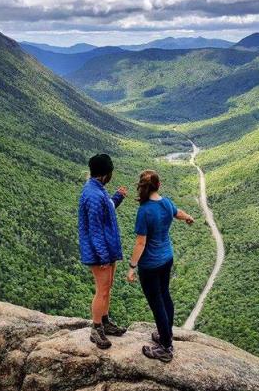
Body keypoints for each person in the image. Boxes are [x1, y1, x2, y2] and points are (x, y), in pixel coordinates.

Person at [126, 169, 194, 362]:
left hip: (150, 265)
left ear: (141, 187)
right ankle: (166, 334)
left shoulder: (144, 211)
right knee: (165, 296)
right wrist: (188, 217)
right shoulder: (165, 203)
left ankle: (165, 346)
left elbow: (141, 243)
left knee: (157, 303)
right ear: (159, 185)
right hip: (167, 259)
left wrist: (132, 267)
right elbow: (177, 212)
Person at [78, 153, 128, 349]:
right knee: (102, 290)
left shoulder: (98, 191)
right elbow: (95, 229)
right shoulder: (92, 194)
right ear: (106, 174)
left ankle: (105, 323)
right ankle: (96, 328)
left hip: (106, 250)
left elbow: (107, 208)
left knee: (107, 288)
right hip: (100, 253)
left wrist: (117, 197)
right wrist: (103, 256)